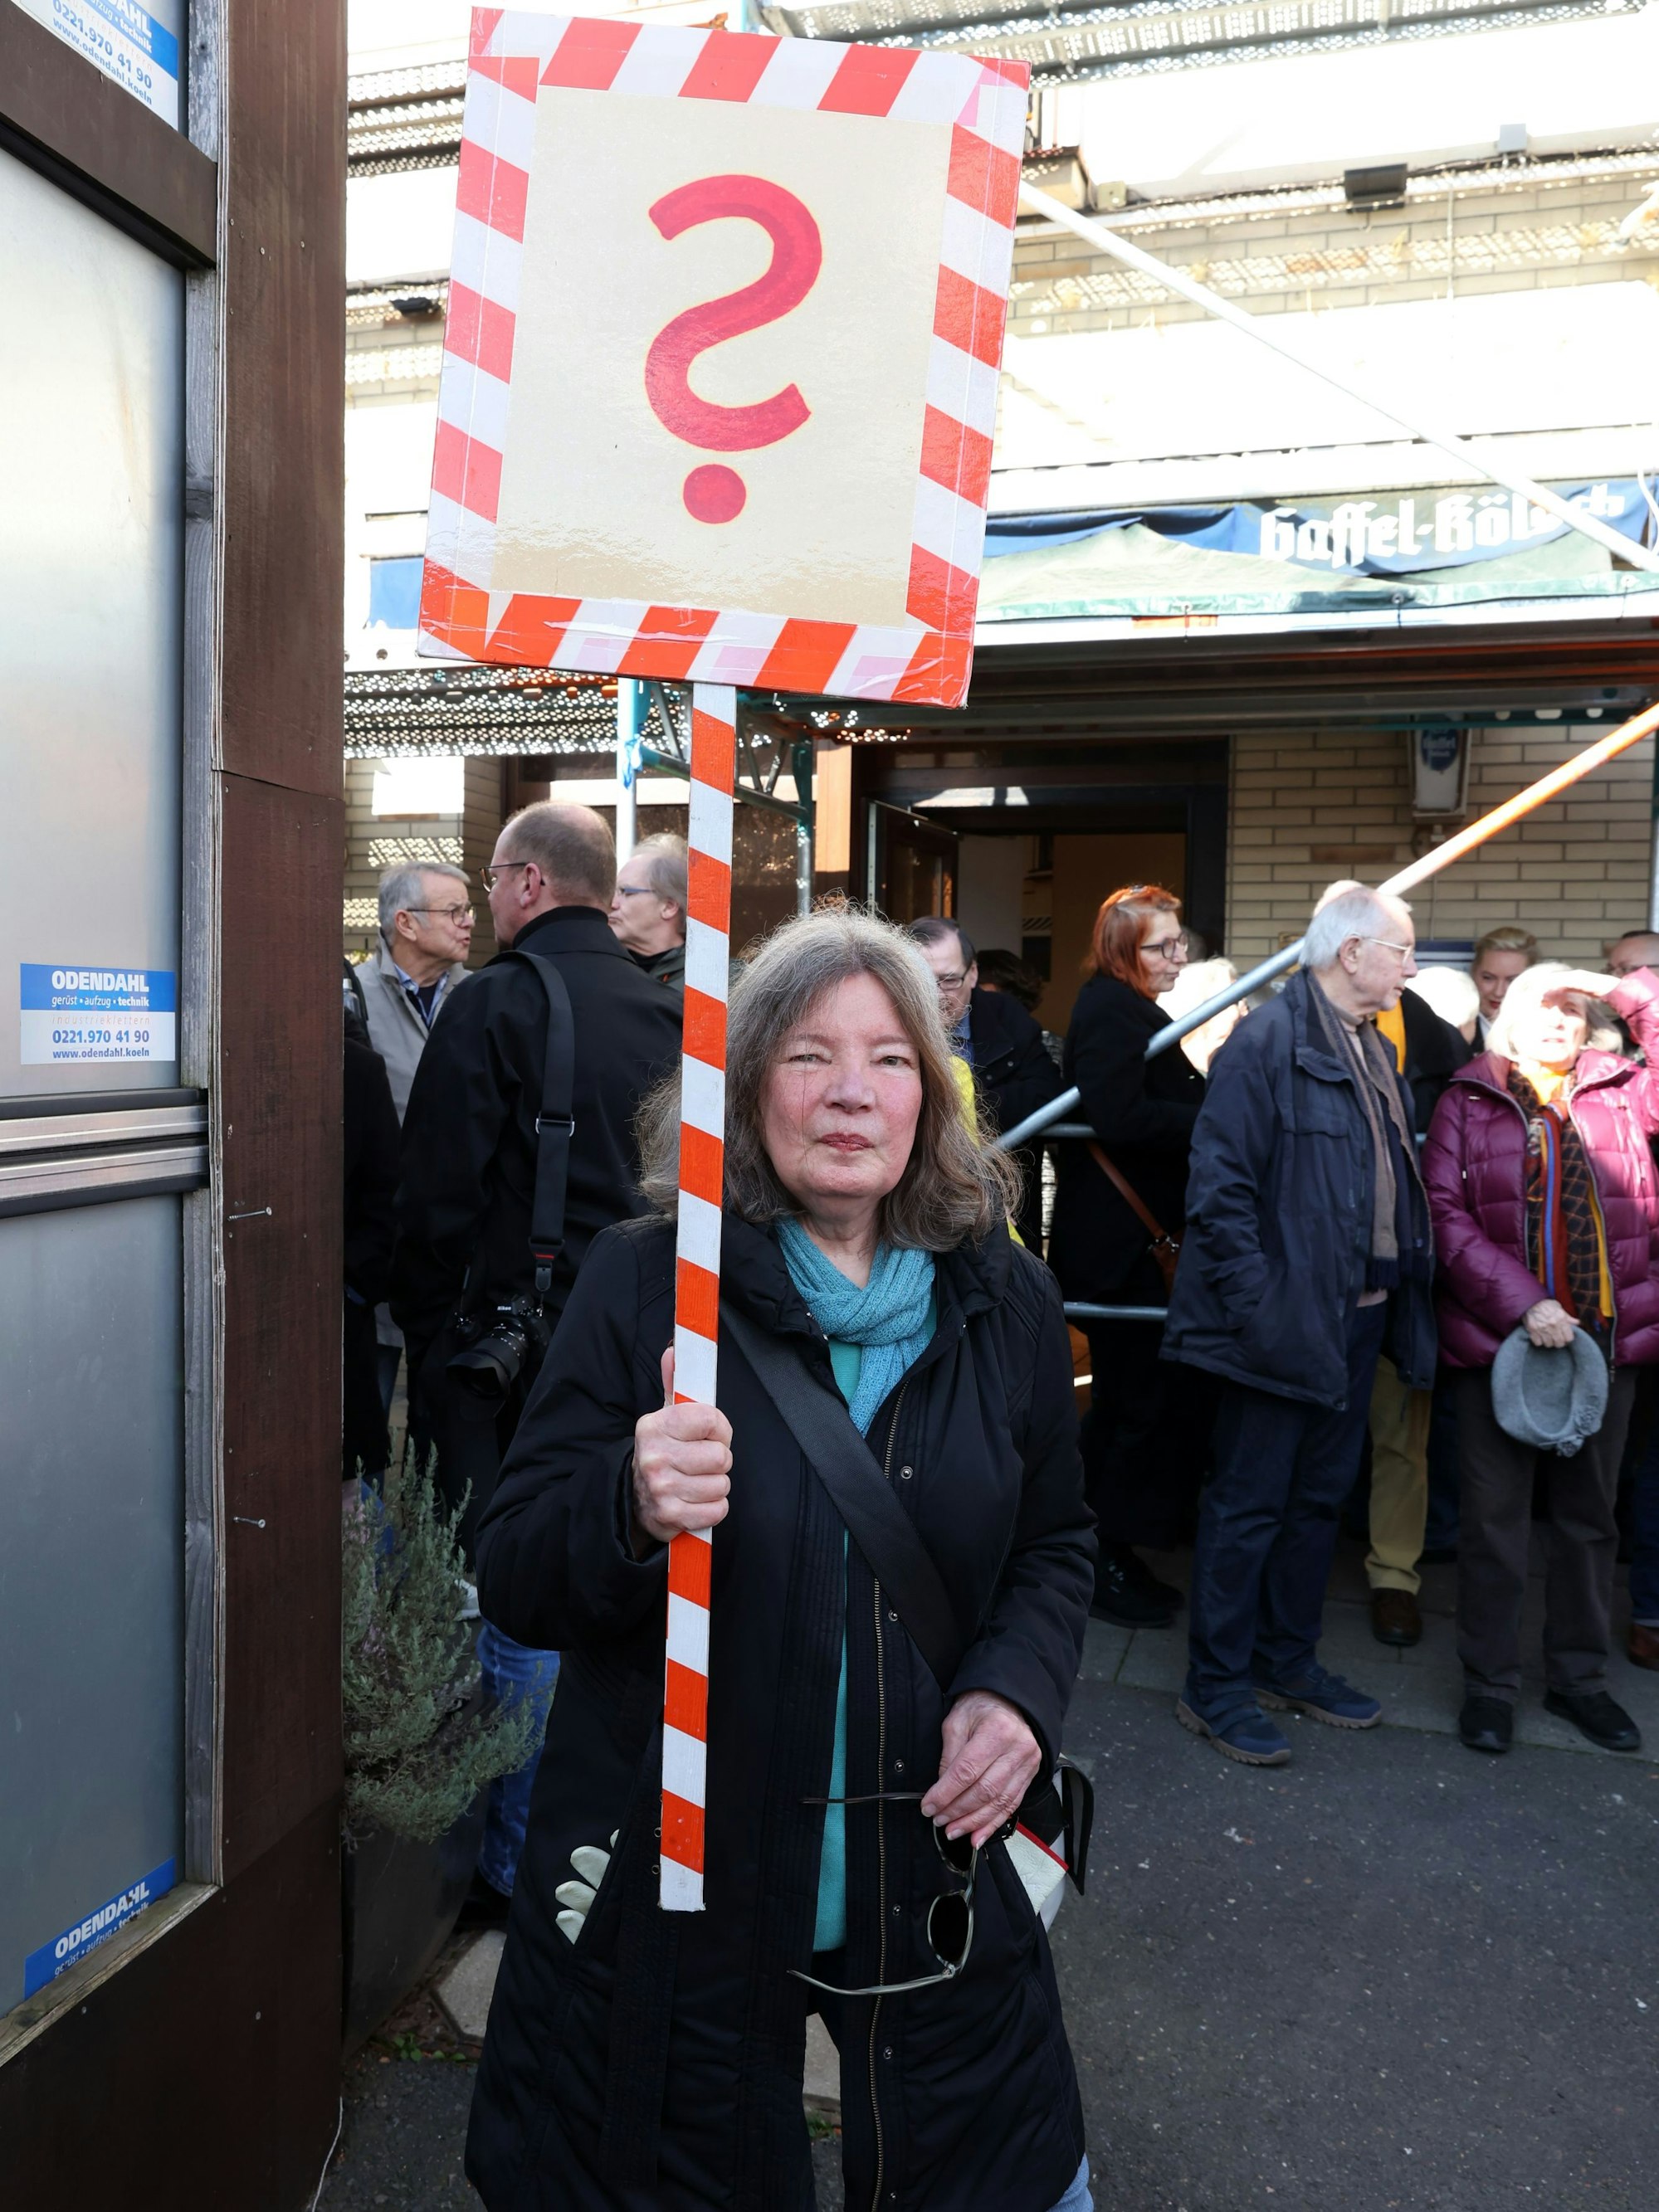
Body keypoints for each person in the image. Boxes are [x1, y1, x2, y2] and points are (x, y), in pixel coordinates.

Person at [466, 909, 1096, 2212]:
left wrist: (1016, 1690)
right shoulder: (646, 1285)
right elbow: (518, 1565)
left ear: (931, 1091)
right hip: (674, 1890)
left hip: (931, 1873)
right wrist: (628, 1501)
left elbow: (1053, 1541)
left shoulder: (1004, 1297)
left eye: (889, 1057)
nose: (851, 1091)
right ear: (746, 1085)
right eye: (809, 1054)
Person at [391, 801, 682, 1909]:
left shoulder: (494, 1001)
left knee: (508, 1592)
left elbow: (435, 1200)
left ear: (525, 882)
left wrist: (435, 1336)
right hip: (647, 1347)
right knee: (613, 1567)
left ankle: (515, 1865)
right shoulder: (670, 1010)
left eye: (491, 880)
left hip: (509, 1358)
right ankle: (596, 1843)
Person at [1162, 885, 1435, 1764]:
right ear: (1351, 951)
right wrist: (1260, 1308)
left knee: (1317, 1501)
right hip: (1283, 1324)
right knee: (1248, 1505)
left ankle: (1285, 1662)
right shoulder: (1266, 1041)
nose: (1411, 966)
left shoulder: (1370, 1044)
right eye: (1401, 949)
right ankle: (1215, 1686)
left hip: (1356, 1320)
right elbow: (1219, 1192)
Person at [1422, 959, 1659, 1755]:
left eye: (1571, 1009)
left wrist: (1618, 987)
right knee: (1493, 1526)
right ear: (1508, 1020)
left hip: (1605, 1342)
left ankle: (1577, 1682)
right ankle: (1489, 1686)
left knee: (1588, 1522)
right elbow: (1443, 1216)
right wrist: (1524, 1304)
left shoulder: (1625, 1090)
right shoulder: (1465, 1098)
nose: (1557, 1020)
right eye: (1540, 1006)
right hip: (1499, 1344)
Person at [1048, 886, 1213, 1629]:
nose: (1177, 956)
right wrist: (1212, 1117)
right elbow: (1117, 1114)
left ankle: (1099, 1541)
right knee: (1131, 1404)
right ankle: (1098, 1555)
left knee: (1134, 1401)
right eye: (1160, 946)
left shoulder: (1124, 1007)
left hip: (1131, 1245)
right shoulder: (1111, 1011)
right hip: (1122, 1249)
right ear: (1121, 952)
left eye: (1179, 942)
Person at [360, 863, 476, 1411]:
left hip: (458, 1246)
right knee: (370, 1403)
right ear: (406, 923)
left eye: (468, 909)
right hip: (380, 1242)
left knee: (451, 1414)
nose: (468, 921)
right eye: (454, 911)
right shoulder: (352, 998)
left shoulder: (482, 996)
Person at [910, 916, 1064, 1247]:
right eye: (920, 980)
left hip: (1004, 1207)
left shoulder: (1007, 1017)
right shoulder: (885, 1020)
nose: (935, 995)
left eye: (949, 980)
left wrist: (965, 1103)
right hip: (909, 1208)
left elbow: (1047, 1092)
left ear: (974, 974)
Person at [343, 1002, 400, 1482]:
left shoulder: (357, 1069)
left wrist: (353, 1288)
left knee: (352, 1480)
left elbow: (386, 1195)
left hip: (342, 1318)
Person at [607, 830, 687, 992]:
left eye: (626, 892)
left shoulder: (714, 982)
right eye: (613, 892)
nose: (612, 904)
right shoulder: (601, 971)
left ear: (668, 907)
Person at [1470, 925, 1538, 1046]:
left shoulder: (1546, 1035)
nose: (1498, 992)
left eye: (1512, 981)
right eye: (1488, 978)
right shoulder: (1452, 1033)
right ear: (1474, 973)